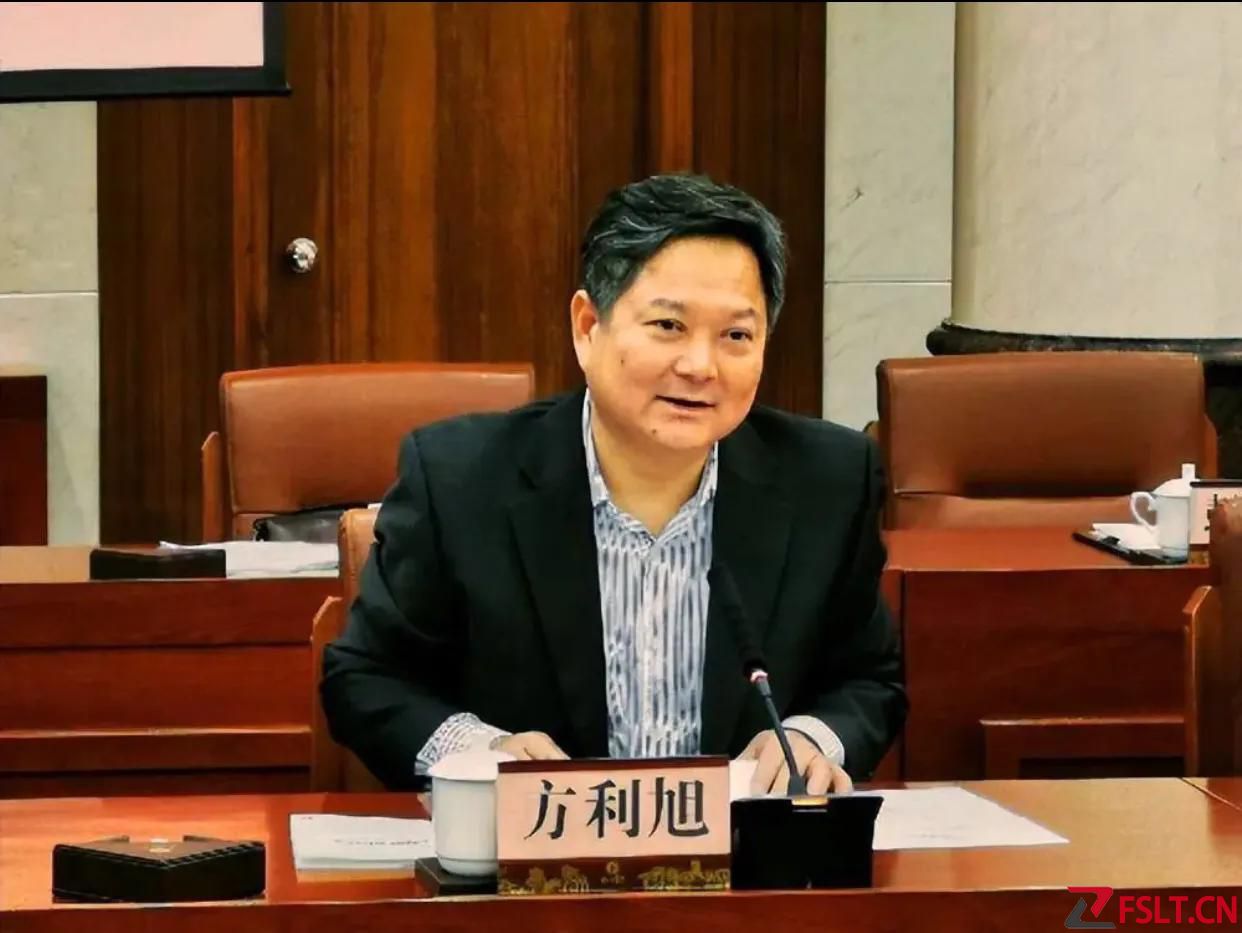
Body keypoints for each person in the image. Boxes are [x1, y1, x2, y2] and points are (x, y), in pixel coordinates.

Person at [321, 173, 907, 795]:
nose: (700, 366)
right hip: (531, 849)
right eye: (668, 326)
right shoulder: (460, 479)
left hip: (745, 848)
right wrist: (481, 752)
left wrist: (812, 738)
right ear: (587, 327)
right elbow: (367, 677)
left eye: (736, 335)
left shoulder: (828, 480)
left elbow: (869, 680)